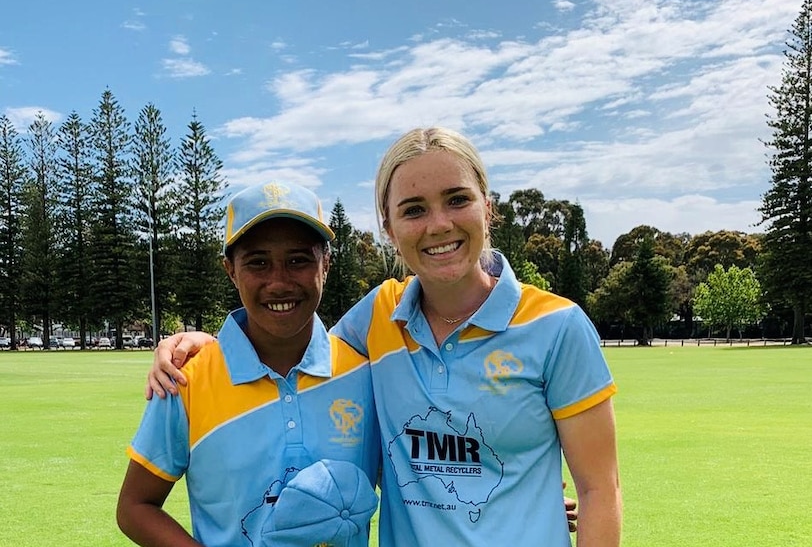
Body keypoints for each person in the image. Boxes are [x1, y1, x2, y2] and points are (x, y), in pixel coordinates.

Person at [149, 127, 622, 546]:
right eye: (414, 209)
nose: (439, 224)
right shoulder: (378, 315)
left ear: (487, 207)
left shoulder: (558, 326)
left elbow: (600, 490)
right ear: (389, 229)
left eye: (457, 199)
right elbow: (291, 337)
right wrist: (208, 344)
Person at [118, 181, 381, 547]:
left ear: (326, 265)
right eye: (258, 262)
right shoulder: (186, 380)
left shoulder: (366, 374)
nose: (279, 282)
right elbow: (135, 506)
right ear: (230, 270)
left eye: (298, 260)